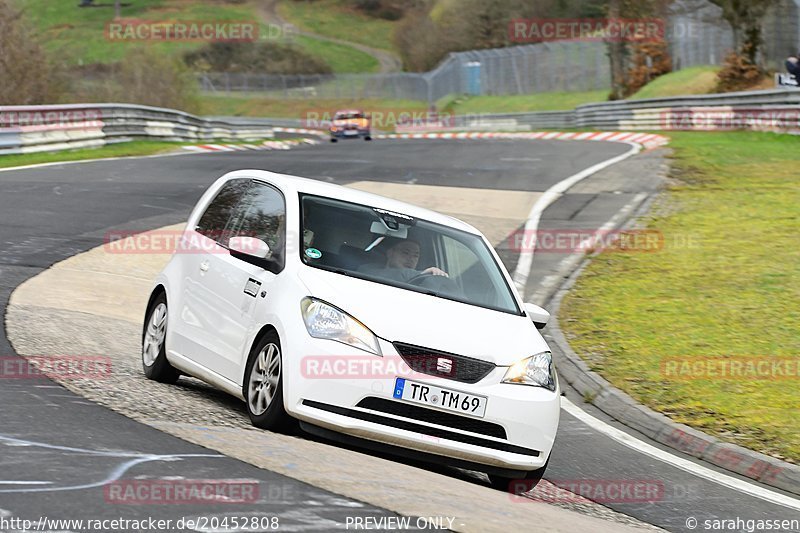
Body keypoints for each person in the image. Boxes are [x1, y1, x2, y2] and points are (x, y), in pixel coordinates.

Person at [359, 238, 448, 283]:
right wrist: (423, 273)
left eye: (416, 255)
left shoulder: (421, 281)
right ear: (390, 253)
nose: (411, 259)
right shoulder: (367, 270)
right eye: (405, 253)